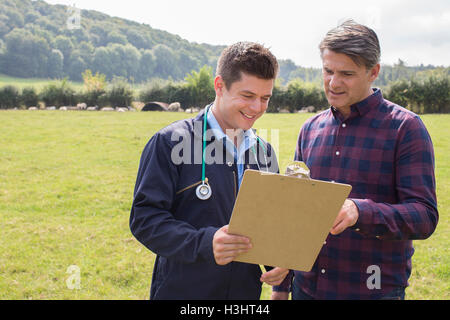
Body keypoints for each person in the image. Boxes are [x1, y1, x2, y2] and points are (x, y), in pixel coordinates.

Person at [272, 20, 438, 300]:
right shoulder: (310, 129)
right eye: (327, 71)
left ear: (373, 72)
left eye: (346, 74)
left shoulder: (406, 129)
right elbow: (296, 211)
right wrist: (281, 287)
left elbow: (424, 216)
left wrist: (360, 212)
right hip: (307, 289)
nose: (333, 83)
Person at [130, 42, 288, 300]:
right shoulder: (169, 142)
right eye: (247, 96)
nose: (257, 108)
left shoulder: (265, 151)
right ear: (219, 86)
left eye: (265, 98)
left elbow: (268, 221)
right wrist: (204, 243)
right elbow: (145, 219)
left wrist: (277, 260)